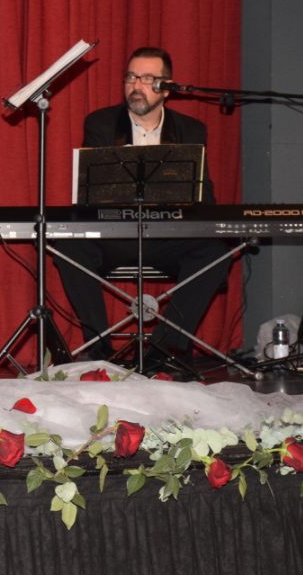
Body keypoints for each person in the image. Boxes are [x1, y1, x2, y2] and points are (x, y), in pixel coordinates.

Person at [53, 46, 230, 365]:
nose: (136, 86)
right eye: (131, 77)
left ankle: (165, 348)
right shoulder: (101, 123)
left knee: (218, 250)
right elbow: (93, 195)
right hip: (116, 238)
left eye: (148, 79)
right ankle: (99, 348)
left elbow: (205, 197)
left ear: (167, 88)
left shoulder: (191, 130)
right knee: (68, 246)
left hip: (168, 239)